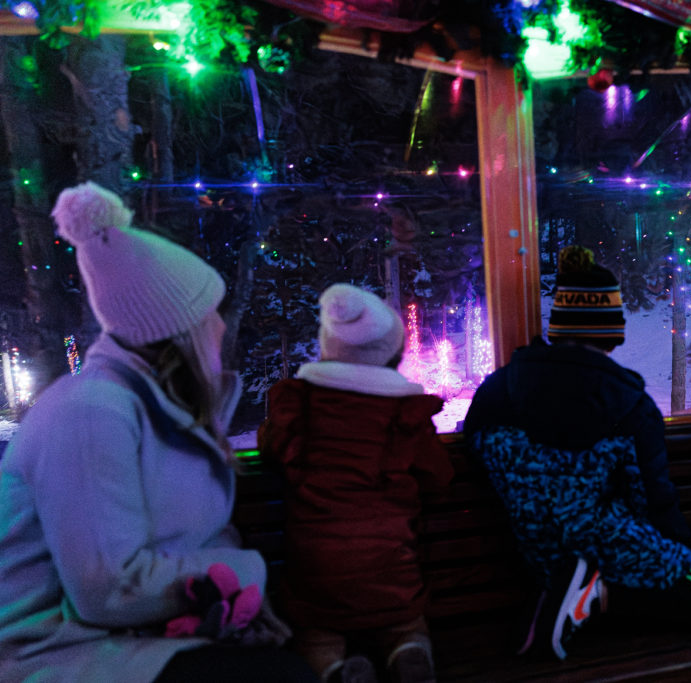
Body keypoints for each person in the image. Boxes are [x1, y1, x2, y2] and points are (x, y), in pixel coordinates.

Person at [0, 182, 317, 682]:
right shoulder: (91, 413)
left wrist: (232, 602)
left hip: (129, 641)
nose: (220, 325)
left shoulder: (152, 408)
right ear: (181, 331)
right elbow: (107, 588)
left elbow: (185, 540)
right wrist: (248, 571)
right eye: (209, 311)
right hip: (57, 654)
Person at [462, 245, 691, 661]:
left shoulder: (498, 390)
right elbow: (652, 498)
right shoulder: (630, 405)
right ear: (612, 329)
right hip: (602, 545)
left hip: (531, 552)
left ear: (559, 324)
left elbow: (477, 453)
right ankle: (593, 596)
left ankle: (569, 601)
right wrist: (682, 547)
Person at [258, 284, 454, 683]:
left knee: (316, 632)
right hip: (391, 567)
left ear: (328, 347)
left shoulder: (301, 405)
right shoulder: (403, 415)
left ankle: (331, 667)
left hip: (316, 568)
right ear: (392, 352)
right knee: (406, 621)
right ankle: (409, 650)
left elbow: (272, 450)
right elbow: (440, 477)